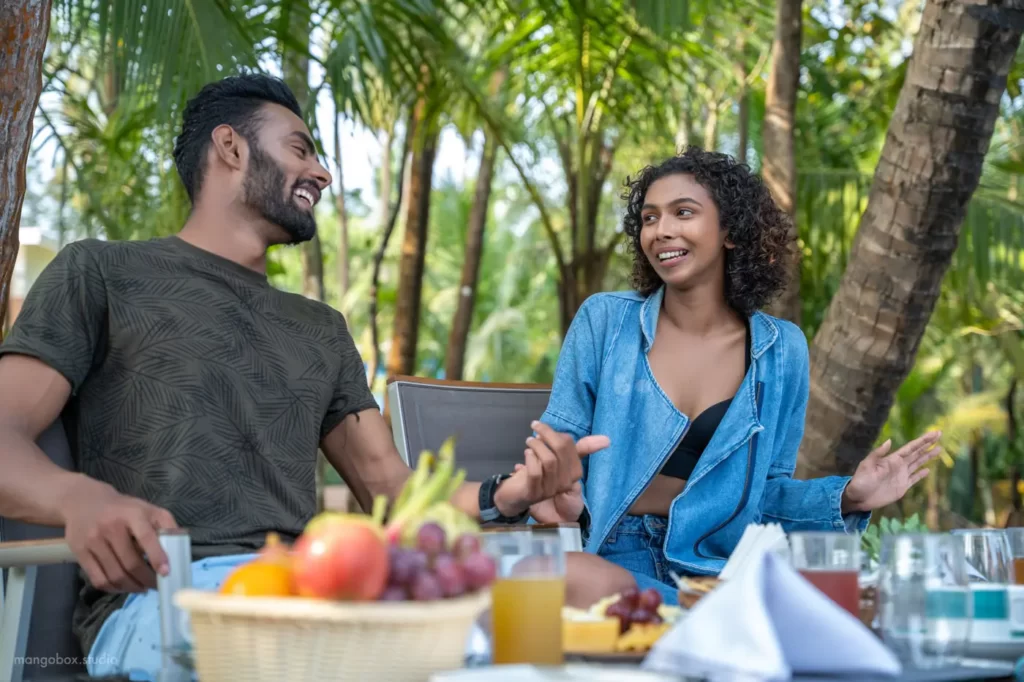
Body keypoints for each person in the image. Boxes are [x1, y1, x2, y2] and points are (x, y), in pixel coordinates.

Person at [0, 74, 608, 680]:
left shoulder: (320, 327)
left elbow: (388, 489)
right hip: (170, 597)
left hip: (321, 584)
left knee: (591, 583)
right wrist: (79, 498)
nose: (322, 173)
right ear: (231, 147)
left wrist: (509, 493)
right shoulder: (102, 273)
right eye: (300, 148)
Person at [522, 148, 941, 608]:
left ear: (730, 232)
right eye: (649, 218)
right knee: (570, 574)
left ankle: (705, 626)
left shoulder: (781, 349)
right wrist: (556, 494)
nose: (661, 230)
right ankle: (706, 628)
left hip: (721, 568)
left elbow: (766, 494)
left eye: (684, 213)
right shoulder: (605, 321)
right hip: (614, 557)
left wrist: (847, 496)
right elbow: (557, 455)